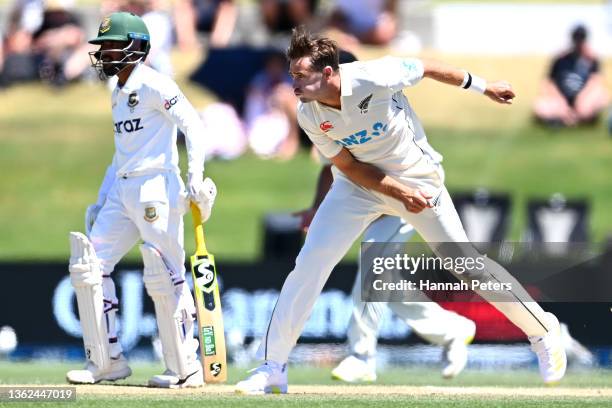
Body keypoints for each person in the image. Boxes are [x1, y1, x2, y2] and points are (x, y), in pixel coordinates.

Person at [235, 27, 567, 394]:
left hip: (421, 182)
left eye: (300, 75)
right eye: (291, 74)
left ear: (328, 73)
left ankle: (543, 331)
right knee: (310, 264)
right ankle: (273, 367)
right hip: (358, 188)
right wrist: (396, 193)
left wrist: (483, 86)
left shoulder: (374, 76)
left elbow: (425, 68)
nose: (292, 83)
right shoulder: (308, 114)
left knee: (467, 266)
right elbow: (349, 168)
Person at [66, 11, 216, 388]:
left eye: (113, 46)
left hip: (156, 187)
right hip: (123, 187)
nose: (105, 54)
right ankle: (106, 361)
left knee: (165, 275)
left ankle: (185, 367)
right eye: (103, 47)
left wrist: (195, 175)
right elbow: (122, 152)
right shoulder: (116, 91)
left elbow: (193, 125)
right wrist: (103, 198)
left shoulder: (155, 84)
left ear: (136, 47)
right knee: (89, 267)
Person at [298, 165, 476, 382]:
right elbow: (330, 168)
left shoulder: (376, 131)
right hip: (381, 196)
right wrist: (317, 208)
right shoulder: (328, 131)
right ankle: (452, 329)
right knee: (384, 284)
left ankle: (362, 355)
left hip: (411, 193)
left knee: (373, 261)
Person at [533, 25, 609, 127]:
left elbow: (595, 82)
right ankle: (566, 118)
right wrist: (561, 102)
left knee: (602, 96)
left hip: (583, 100)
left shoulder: (591, 59)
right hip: (561, 99)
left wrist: (581, 100)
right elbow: (548, 82)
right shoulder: (560, 59)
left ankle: (576, 118)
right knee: (540, 106)